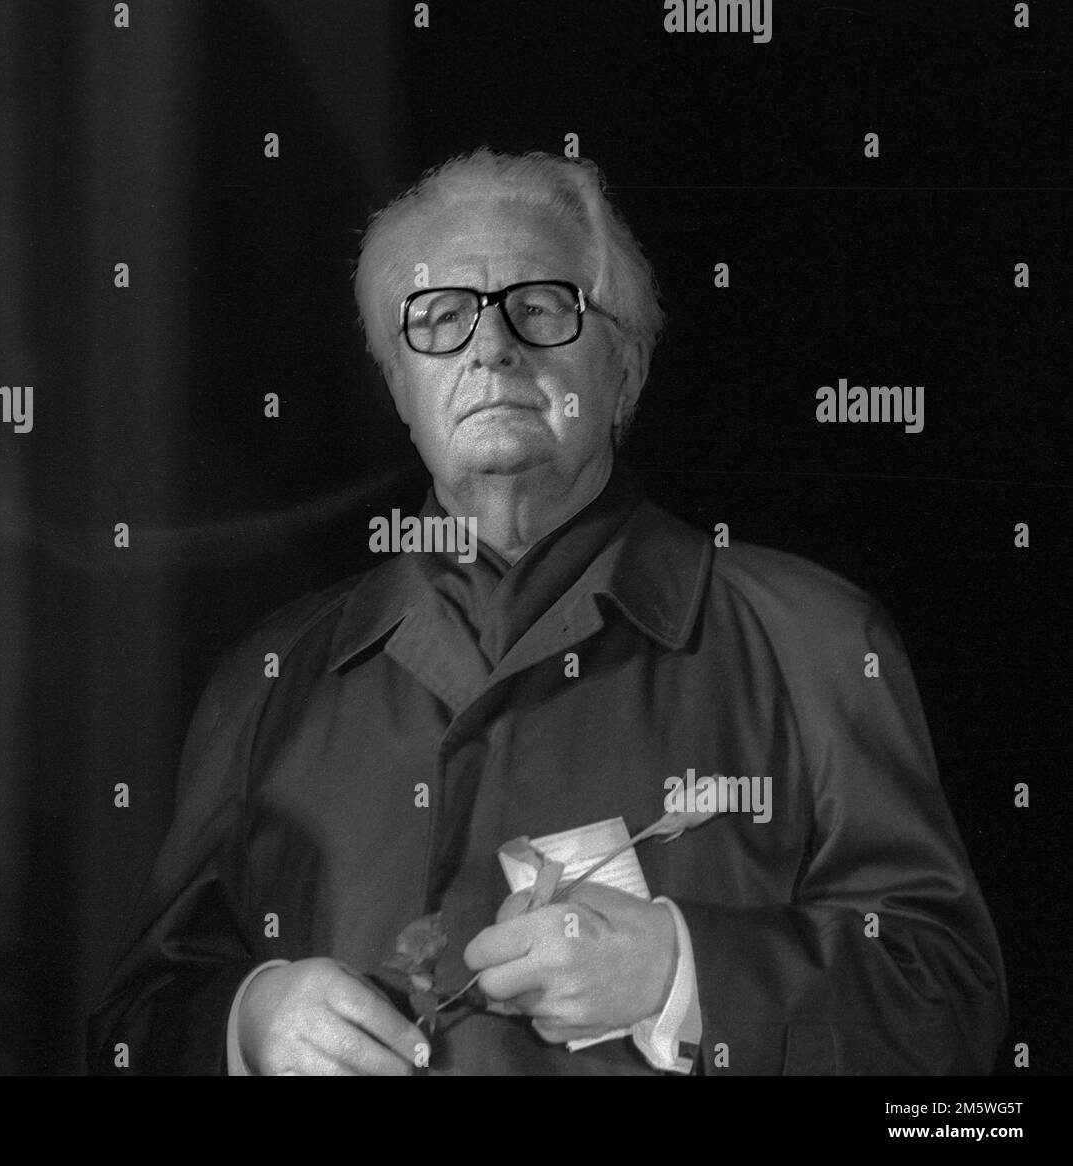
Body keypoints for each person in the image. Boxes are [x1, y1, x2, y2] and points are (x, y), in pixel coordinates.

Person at [88, 148, 1007, 1076]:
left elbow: (952, 1015)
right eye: (441, 318)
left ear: (624, 369)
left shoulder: (814, 642)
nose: (491, 347)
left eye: (539, 307)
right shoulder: (268, 680)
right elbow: (132, 1027)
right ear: (400, 388)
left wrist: (683, 974)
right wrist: (246, 1024)